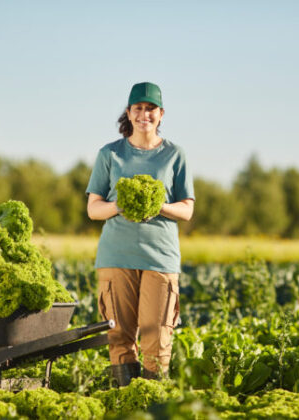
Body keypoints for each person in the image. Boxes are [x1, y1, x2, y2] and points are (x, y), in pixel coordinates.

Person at [85, 82, 195, 386]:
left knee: (157, 338)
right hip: (116, 255)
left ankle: (153, 404)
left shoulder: (175, 155)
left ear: (161, 114)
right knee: (119, 336)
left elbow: (187, 210)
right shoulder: (110, 154)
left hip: (160, 257)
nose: (144, 114)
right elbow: (93, 209)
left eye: (150, 109)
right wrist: (118, 206)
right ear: (129, 113)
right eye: (138, 108)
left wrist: (160, 206)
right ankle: (124, 401)